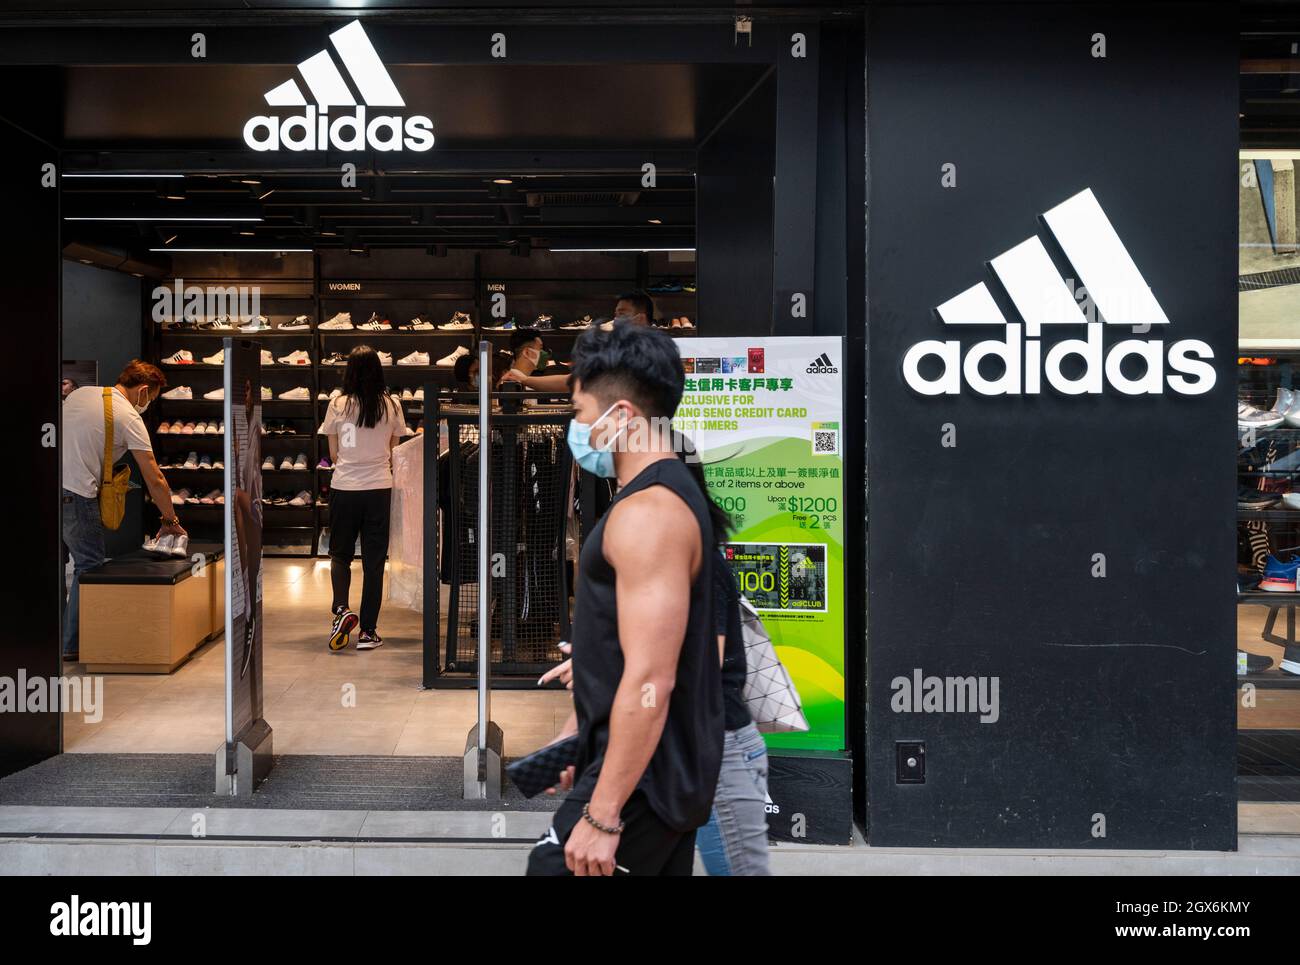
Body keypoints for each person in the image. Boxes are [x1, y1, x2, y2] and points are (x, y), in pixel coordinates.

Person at [526, 322, 723, 877]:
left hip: (641, 788)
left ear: (624, 419)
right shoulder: (662, 495)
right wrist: (579, 728)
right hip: (649, 777)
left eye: (581, 410)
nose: (577, 426)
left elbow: (651, 679)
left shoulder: (649, 515)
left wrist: (604, 813)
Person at [61, 360, 186, 661]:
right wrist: (170, 519)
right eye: (151, 399)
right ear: (143, 390)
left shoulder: (81, 394)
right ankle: (73, 644)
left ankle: (48, 639)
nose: (149, 405)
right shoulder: (129, 417)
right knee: (88, 567)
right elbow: (154, 476)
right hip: (78, 494)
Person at [318, 345, 407, 651]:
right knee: (373, 562)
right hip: (379, 488)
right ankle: (368, 632)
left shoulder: (338, 403)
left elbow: (333, 453)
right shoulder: (392, 404)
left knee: (340, 555)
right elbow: (395, 451)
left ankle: (342, 610)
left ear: (349, 371)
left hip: (345, 486)